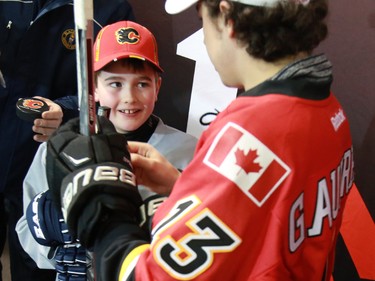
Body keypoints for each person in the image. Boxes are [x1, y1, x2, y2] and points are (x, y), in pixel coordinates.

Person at [45, 0, 355, 280]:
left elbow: (148, 277)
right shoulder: (328, 109)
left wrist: (99, 211)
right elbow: (262, 222)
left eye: (200, 19)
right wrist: (179, 185)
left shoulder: (251, 134)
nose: (205, 37)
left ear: (226, 18)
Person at [16, 20, 198, 281]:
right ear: (94, 89)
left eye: (142, 84)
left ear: (158, 87)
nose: (129, 97)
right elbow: (25, 229)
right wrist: (59, 244)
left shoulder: (191, 151)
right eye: (115, 84)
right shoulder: (59, 149)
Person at [0, 1, 135, 280]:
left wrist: (67, 111)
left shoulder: (110, 8)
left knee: (35, 262)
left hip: (44, 160)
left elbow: (116, 84)